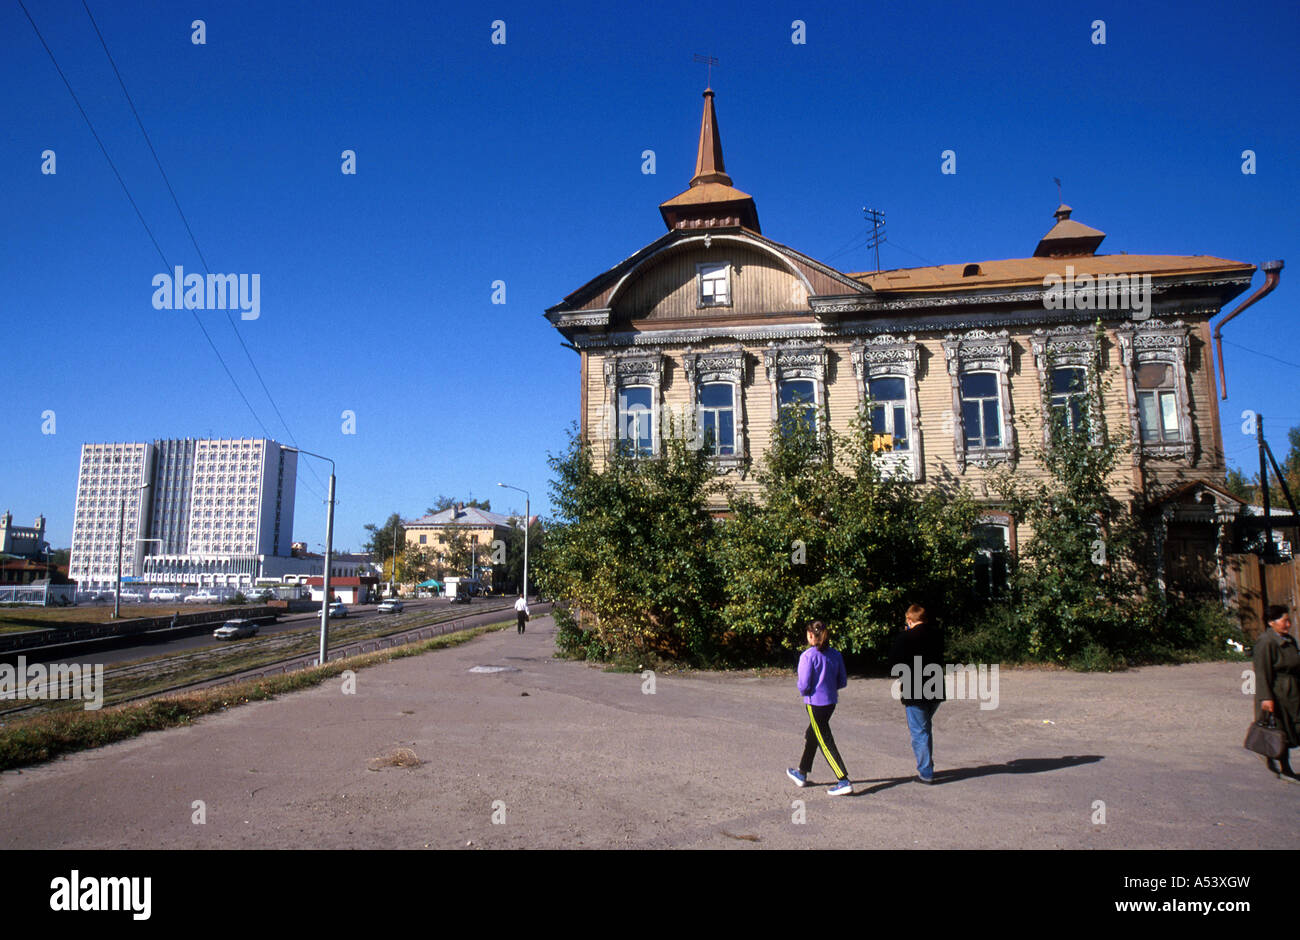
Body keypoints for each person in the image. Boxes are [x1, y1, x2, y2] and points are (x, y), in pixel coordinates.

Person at [787, 621, 852, 796]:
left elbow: (804, 684)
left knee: (824, 740)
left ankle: (843, 779)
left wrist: (806, 692)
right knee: (812, 734)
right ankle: (802, 772)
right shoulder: (835, 655)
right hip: (830, 702)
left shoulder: (808, 656)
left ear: (810, 635)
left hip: (815, 703)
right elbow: (842, 681)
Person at [890, 603, 945, 784]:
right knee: (925, 728)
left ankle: (926, 771)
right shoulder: (937, 634)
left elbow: (895, 664)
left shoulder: (905, 637)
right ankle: (927, 765)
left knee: (920, 732)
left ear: (909, 619)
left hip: (915, 689)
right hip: (935, 686)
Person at [1254, 603, 1299, 781]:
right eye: (1285, 621)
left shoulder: (1290, 641)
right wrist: (1266, 698)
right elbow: (1262, 672)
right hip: (1277, 692)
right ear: (1271, 622)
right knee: (1281, 730)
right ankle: (1284, 768)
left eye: (1289, 621)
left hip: (1293, 691)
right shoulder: (1266, 642)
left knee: (1295, 727)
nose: (1288, 625)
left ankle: (1273, 758)